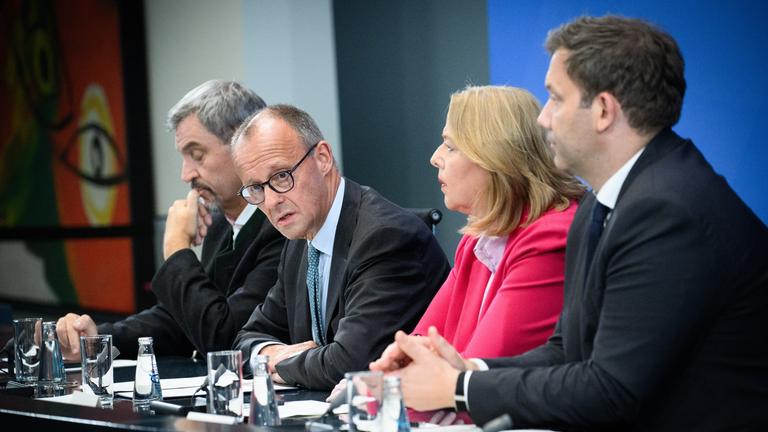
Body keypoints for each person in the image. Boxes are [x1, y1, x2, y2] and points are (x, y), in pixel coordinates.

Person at [371, 15, 768, 431]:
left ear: (602, 111)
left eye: (556, 99)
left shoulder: (667, 211)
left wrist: (459, 388)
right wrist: (469, 369)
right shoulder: (608, 201)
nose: (544, 119)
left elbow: (610, 390)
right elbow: (567, 350)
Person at [56, 80, 286, 359]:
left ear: (243, 145)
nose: (186, 174)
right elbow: (180, 322)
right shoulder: (222, 228)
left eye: (197, 155)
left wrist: (178, 248)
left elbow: (227, 339)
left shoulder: (281, 226)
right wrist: (95, 340)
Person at [231, 104, 450, 390]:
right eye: (256, 189)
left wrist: (274, 362)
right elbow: (248, 337)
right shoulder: (300, 241)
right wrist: (267, 353)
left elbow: (351, 362)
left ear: (322, 158)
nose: (271, 202)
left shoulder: (387, 237)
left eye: (282, 176)